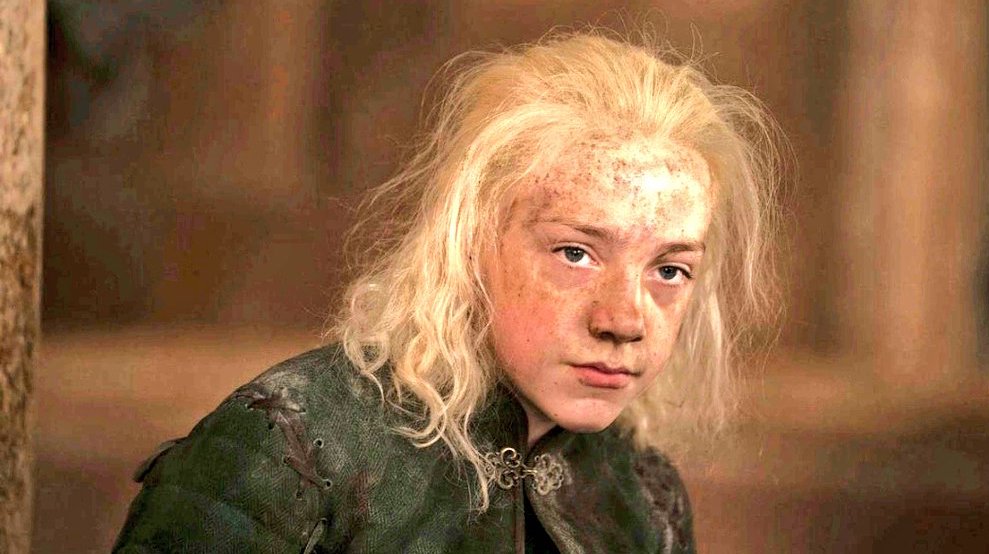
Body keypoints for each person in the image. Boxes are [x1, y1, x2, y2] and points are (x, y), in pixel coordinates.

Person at [113, 30, 780, 553]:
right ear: (467, 244)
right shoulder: (288, 448)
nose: (625, 320)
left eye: (669, 270)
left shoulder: (643, 493)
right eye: (575, 253)